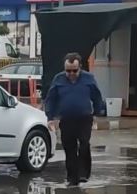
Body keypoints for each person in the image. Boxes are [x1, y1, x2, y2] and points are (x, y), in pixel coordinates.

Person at [43, 52, 105, 186]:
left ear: (80, 67)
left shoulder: (89, 79)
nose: (71, 73)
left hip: (85, 118)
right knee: (69, 148)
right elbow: (51, 100)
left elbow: (97, 97)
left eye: (74, 71)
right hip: (66, 119)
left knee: (84, 144)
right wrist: (50, 118)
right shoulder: (58, 79)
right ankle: (72, 178)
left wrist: (97, 114)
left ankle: (83, 174)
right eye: (68, 71)